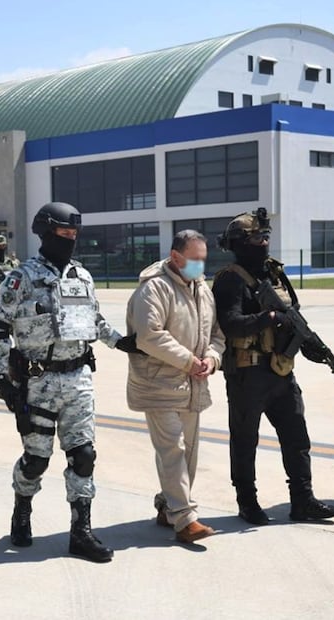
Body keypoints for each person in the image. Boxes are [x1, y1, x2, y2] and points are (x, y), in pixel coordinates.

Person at [0, 201, 136, 563]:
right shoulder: (20, 278)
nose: (70, 240)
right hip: (37, 381)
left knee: (83, 456)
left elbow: (95, 321)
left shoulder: (81, 277)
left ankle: (80, 532)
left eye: (74, 234)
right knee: (36, 460)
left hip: (78, 379)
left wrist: (122, 342)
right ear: (45, 234)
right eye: (63, 234)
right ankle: (22, 508)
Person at [211, 209, 334, 525]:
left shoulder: (273, 273)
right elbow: (230, 324)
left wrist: (310, 345)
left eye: (266, 236)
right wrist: (268, 318)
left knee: (297, 437)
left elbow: (292, 312)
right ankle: (247, 502)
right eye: (257, 237)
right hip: (247, 373)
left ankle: (303, 500)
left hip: (281, 370)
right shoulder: (230, 279)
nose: (264, 242)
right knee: (245, 441)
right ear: (240, 243)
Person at [125, 230, 226, 544]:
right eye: (194, 259)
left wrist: (211, 358)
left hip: (193, 385)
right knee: (173, 451)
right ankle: (185, 520)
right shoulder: (154, 289)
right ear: (175, 257)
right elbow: (149, 335)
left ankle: (170, 506)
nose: (199, 265)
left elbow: (217, 335)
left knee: (190, 455)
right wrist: (188, 361)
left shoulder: (202, 289)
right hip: (159, 384)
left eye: (203, 260)